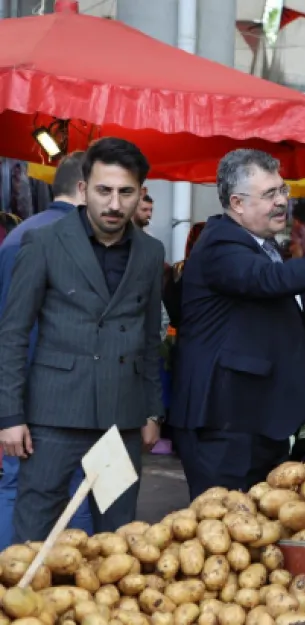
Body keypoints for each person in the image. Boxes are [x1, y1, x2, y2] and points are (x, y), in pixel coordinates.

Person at [170, 149, 305, 498]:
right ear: (237, 203)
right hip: (224, 420)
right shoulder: (221, 242)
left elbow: (282, 291)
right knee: (224, 529)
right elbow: (270, 281)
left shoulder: (259, 243)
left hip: (254, 418)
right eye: (269, 194)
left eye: (283, 190)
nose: (282, 201)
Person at [0, 138, 165, 541]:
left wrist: (151, 412)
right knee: (34, 534)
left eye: (126, 192)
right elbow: (13, 334)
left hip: (120, 419)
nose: (114, 204)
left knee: (116, 538)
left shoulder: (150, 251)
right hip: (52, 416)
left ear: (140, 193)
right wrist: (10, 417)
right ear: (83, 189)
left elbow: (148, 338)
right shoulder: (43, 242)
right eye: (103, 190)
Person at [0, 152, 93, 547]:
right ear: (86, 188)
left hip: (27, 392)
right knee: (74, 493)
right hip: (52, 396)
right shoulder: (66, 240)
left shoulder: (20, 235)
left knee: (21, 493)